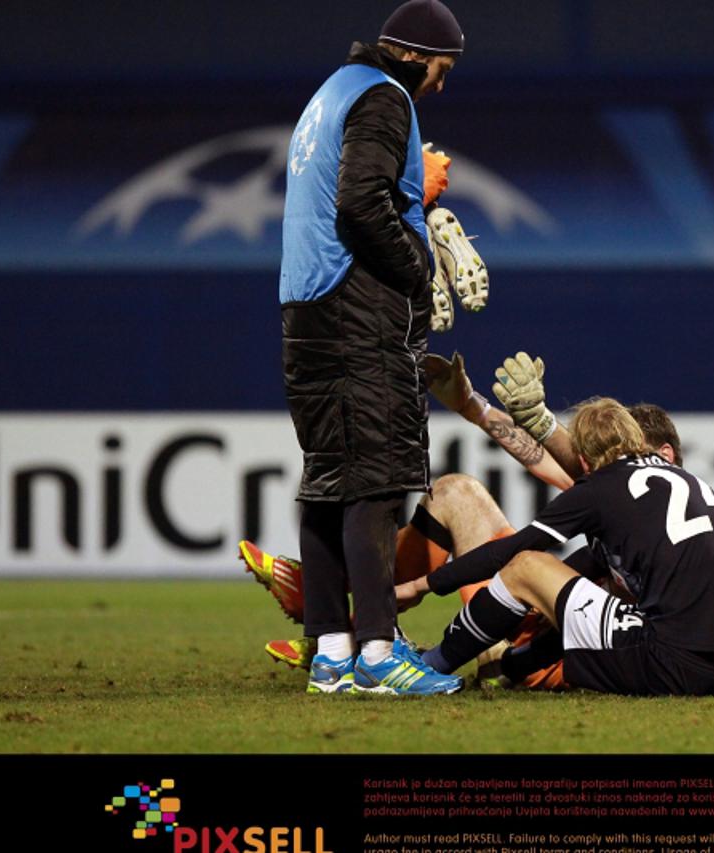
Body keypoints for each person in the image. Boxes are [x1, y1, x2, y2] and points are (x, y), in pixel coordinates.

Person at [277, 0, 468, 695]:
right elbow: (360, 204)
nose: (439, 87)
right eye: (440, 70)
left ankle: (331, 650)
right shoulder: (385, 98)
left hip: (304, 305)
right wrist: (417, 272)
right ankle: (379, 654)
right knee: (377, 481)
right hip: (357, 310)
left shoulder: (329, 94)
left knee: (330, 477)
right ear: (414, 56)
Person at [398, 397, 714, 696]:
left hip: (672, 663)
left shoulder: (602, 488)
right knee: (560, 590)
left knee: (525, 566)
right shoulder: (685, 481)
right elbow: (573, 610)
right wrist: (513, 664)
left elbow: (513, 553)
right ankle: (504, 666)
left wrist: (422, 585)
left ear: (583, 462)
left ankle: (428, 667)